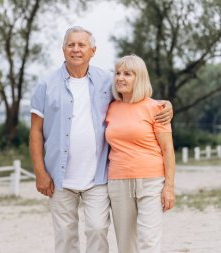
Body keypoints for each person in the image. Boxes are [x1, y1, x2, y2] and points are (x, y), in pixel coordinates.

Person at [29, 26, 172, 253]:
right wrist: (40, 172)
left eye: (81, 45)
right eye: (71, 44)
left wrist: (167, 105)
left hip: (98, 176)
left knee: (97, 230)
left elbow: (137, 93)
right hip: (59, 177)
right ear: (63, 49)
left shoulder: (108, 80)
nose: (76, 49)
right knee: (65, 237)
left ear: (92, 51)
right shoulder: (45, 85)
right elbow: (35, 131)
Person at [105, 54, 175, 253]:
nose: (120, 77)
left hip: (151, 182)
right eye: (118, 73)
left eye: (128, 74)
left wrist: (168, 187)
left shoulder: (157, 109)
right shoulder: (110, 108)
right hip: (118, 182)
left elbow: (168, 151)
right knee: (126, 244)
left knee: (148, 242)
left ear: (140, 78)